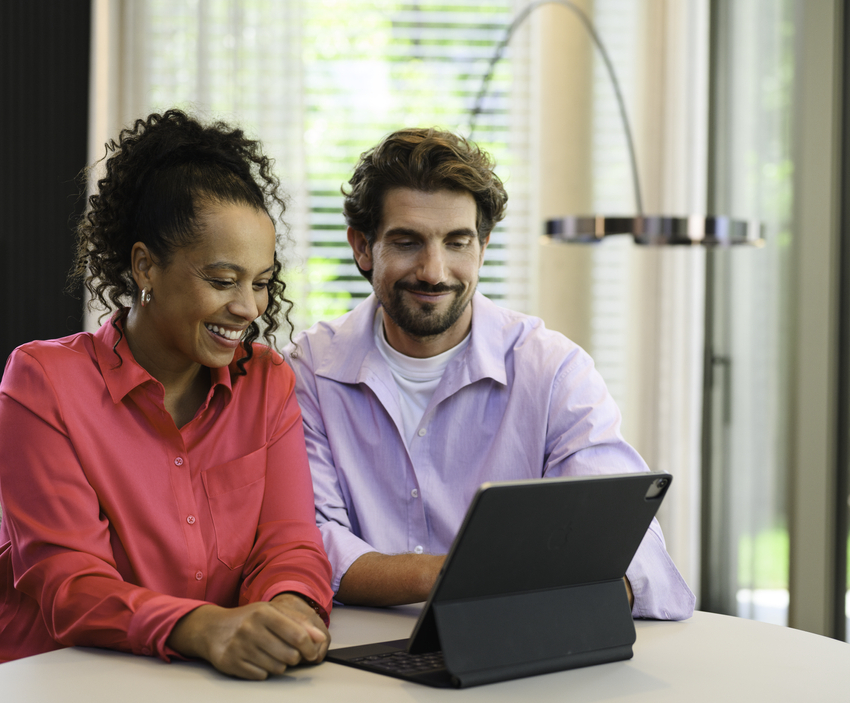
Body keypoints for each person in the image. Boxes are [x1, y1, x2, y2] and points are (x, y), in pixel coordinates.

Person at [288, 128, 695, 619]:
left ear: (482, 247)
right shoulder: (310, 371)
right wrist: (475, 575)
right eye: (407, 242)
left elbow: (629, 543)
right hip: (356, 647)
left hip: (519, 642)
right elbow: (306, 541)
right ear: (362, 246)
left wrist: (577, 589)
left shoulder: (553, 371)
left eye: (457, 242)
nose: (434, 271)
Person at [0, 109, 333, 679]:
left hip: (191, 682)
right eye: (223, 280)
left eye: (262, 282)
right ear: (145, 267)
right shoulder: (43, 382)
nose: (248, 307)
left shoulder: (266, 382)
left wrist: (288, 613)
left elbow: (289, 545)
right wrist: (206, 628)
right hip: (42, 680)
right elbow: (71, 586)